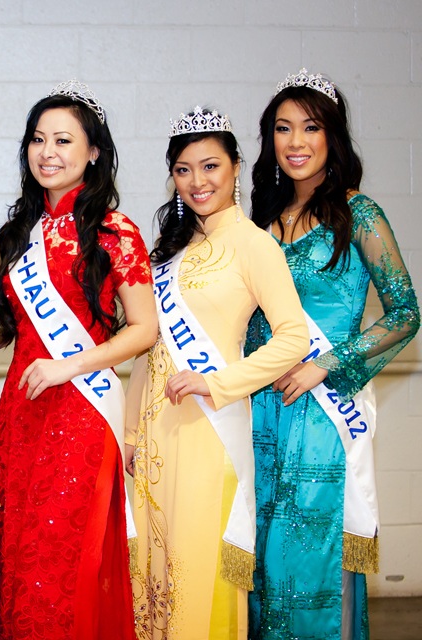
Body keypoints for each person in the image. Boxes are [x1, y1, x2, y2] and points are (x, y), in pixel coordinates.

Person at [247, 70, 420, 640]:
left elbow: (405, 314)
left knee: (314, 556)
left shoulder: (358, 213)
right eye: (282, 128)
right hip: (262, 414)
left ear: (333, 137)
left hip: (323, 411)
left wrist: (329, 362)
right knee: (264, 562)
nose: (295, 141)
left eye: (311, 127)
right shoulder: (262, 221)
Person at [125, 107, 309, 639]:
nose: (197, 181)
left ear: (235, 168)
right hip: (157, 436)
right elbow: (149, 349)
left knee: (197, 571)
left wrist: (217, 381)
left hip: (211, 430)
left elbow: (293, 338)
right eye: (183, 170)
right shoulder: (170, 253)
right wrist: (132, 432)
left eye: (210, 166)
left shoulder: (255, 243)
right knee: (153, 576)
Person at [0, 81, 158, 639]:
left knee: (62, 555)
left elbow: (144, 329)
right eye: (38, 139)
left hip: (81, 410)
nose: (47, 152)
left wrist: (70, 365)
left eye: (63, 140)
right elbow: (9, 328)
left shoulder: (116, 230)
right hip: (22, 411)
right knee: (21, 552)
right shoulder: (19, 234)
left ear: (93, 152)